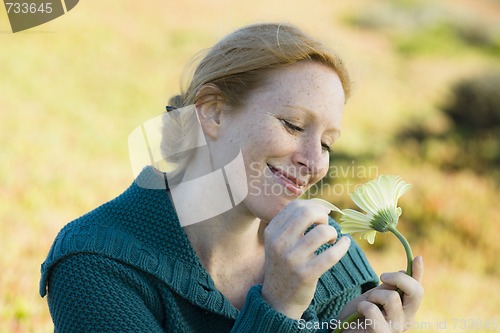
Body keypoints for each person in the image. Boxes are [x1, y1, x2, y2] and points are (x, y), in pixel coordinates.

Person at [40, 22, 424, 332]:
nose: (313, 162)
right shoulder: (95, 262)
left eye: (326, 143)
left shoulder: (327, 255)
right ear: (212, 112)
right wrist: (278, 308)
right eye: (293, 125)